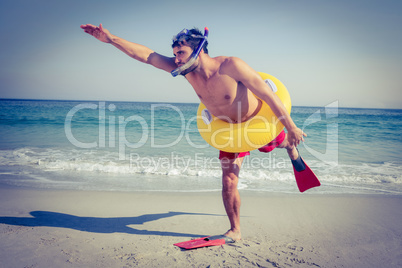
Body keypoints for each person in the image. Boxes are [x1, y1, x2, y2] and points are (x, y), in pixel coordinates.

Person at [80, 24, 306, 241]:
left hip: (256, 121)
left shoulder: (230, 66)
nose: (176, 59)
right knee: (228, 181)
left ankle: (291, 149)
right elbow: (147, 56)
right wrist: (110, 39)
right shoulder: (187, 71)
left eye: (181, 52)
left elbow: (267, 94)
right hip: (227, 131)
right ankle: (235, 230)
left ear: (199, 48)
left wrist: (292, 127)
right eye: (175, 53)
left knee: (273, 144)